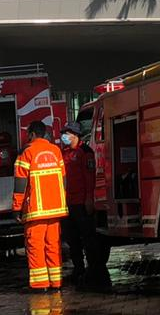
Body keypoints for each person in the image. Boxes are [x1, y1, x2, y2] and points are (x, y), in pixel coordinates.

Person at [13, 122, 68, 291]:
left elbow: (20, 183)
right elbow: (63, 180)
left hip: (36, 210)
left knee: (35, 246)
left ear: (31, 134)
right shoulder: (56, 151)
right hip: (56, 208)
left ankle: (40, 284)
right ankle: (56, 282)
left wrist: (17, 208)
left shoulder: (26, 152)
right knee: (53, 245)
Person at [59, 124, 97, 285]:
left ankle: (93, 269)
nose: (64, 137)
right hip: (68, 203)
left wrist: (89, 198)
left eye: (67, 133)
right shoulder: (64, 153)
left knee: (88, 237)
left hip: (82, 202)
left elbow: (90, 177)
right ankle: (78, 268)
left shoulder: (85, 152)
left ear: (75, 135)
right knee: (72, 238)